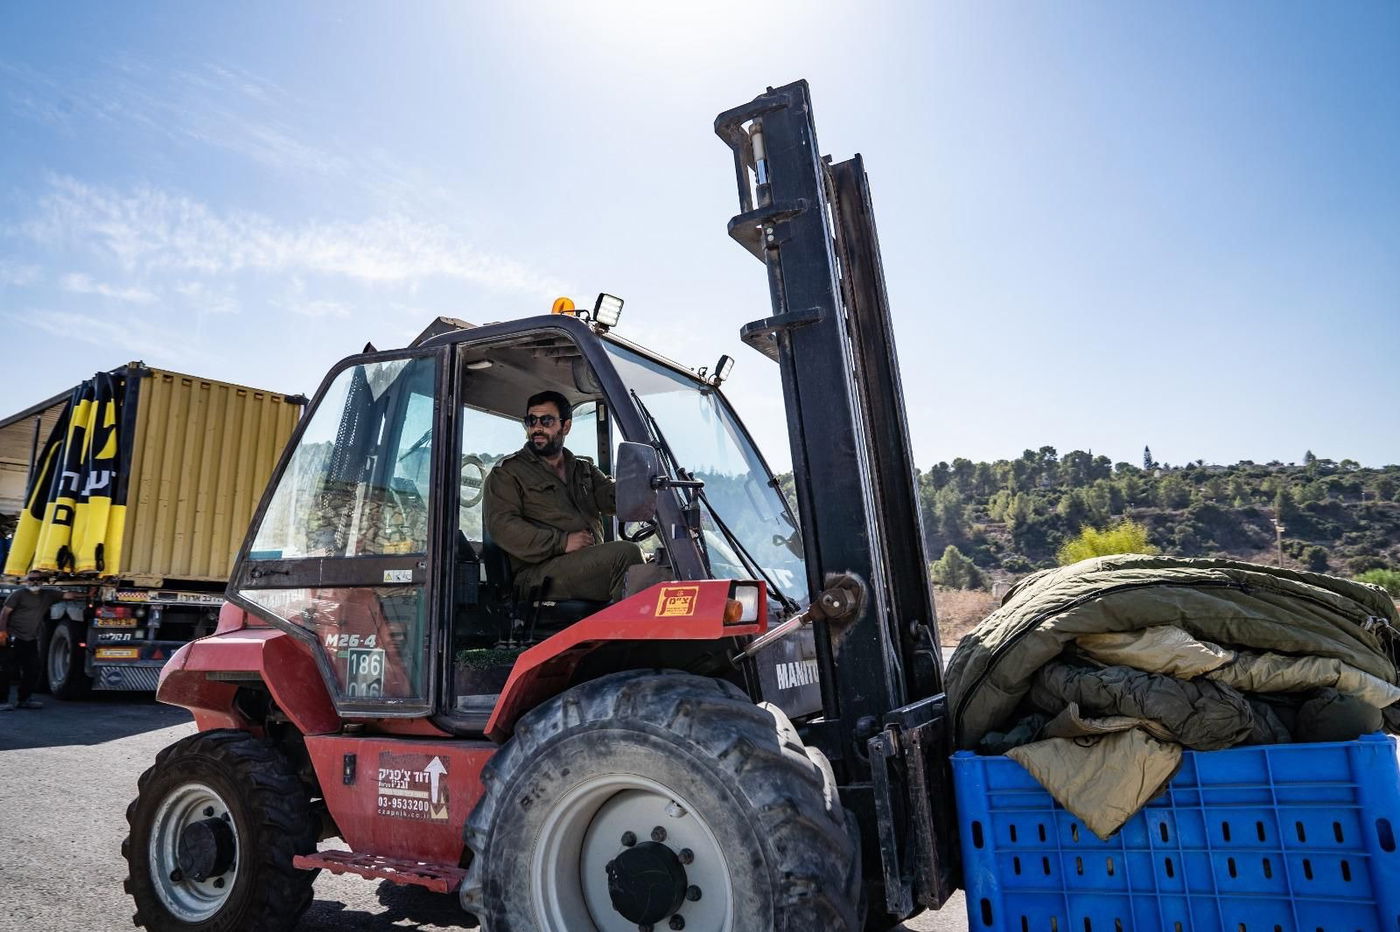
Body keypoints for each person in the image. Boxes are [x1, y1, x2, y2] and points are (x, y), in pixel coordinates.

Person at [484, 390, 643, 603]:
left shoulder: (582, 469)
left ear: (565, 426)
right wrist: (562, 542)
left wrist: (640, 484)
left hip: (582, 565)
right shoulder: (508, 473)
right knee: (626, 554)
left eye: (546, 421)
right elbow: (503, 527)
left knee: (657, 565)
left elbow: (610, 497)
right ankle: (629, 634)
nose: (537, 428)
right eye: (531, 421)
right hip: (536, 575)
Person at [0, 572, 81, 711]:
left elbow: (68, 595)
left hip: (30, 639)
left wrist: (89, 595)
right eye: (32, 579)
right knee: (6, 670)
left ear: (43, 581)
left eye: (39, 580)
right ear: (26, 580)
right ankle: (2, 701)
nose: (35, 582)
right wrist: (2, 632)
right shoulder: (19, 595)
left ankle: (24, 700)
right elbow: (4, 613)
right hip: (14, 637)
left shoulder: (47, 595)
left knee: (32, 669)